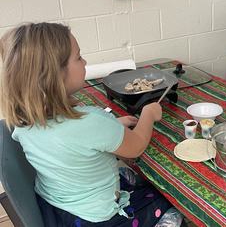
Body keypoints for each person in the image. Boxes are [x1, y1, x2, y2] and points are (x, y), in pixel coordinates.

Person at [0, 23, 178, 226]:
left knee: (130, 178)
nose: (84, 61)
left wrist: (113, 125)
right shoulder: (91, 121)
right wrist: (148, 113)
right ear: (55, 75)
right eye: (78, 57)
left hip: (60, 209)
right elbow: (136, 146)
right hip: (100, 218)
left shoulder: (22, 121)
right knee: (171, 206)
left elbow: (70, 140)